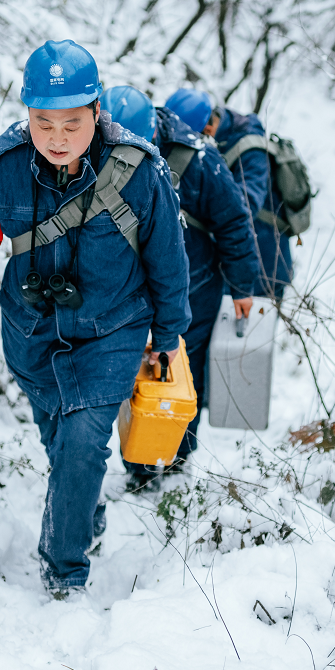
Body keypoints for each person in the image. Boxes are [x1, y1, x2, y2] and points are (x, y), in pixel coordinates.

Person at [0, 41, 190, 595]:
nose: (56, 138)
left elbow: (167, 258)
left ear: (97, 112)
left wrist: (169, 332)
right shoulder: (0, 168)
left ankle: (63, 573)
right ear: (27, 114)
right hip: (31, 333)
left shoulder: (139, 172)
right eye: (43, 122)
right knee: (62, 444)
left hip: (113, 331)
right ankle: (84, 517)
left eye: (71, 124)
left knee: (83, 442)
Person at [100, 86, 260, 480]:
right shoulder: (100, 145)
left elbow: (234, 221)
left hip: (195, 286)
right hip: (130, 290)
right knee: (133, 372)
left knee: (181, 374)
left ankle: (172, 462)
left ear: (153, 132)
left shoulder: (199, 158)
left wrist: (242, 288)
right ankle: (139, 461)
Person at [164, 88, 293, 299]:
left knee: (246, 330)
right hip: (235, 255)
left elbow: (244, 208)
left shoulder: (252, 152)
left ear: (207, 128)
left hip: (264, 262)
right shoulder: (218, 137)